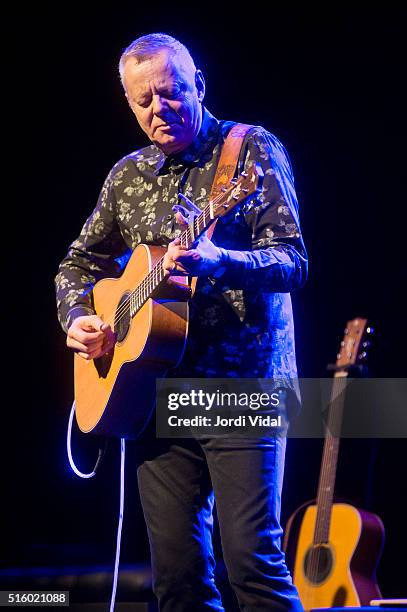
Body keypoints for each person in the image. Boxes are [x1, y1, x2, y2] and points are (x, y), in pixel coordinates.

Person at [55, 33, 307, 611]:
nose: (157, 111)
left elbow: (294, 261)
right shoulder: (127, 175)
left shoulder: (248, 151)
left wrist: (222, 260)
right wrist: (79, 317)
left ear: (199, 85)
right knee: (177, 579)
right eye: (142, 101)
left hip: (242, 389)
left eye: (170, 94)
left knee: (252, 564)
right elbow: (77, 264)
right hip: (152, 393)